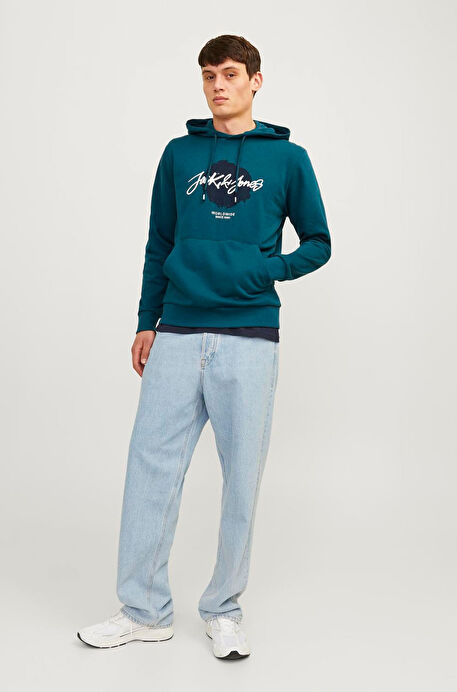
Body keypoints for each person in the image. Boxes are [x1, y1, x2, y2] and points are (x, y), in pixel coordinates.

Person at [77, 34, 331, 660]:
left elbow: (318, 242)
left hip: (250, 335)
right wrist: (147, 320)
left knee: (241, 478)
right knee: (150, 469)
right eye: (209, 75)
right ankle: (144, 611)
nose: (219, 85)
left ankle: (224, 609)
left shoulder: (288, 158)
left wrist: (266, 271)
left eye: (230, 74)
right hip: (178, 331)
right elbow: (159, 242)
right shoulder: (179, 154)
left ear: (255, 81)